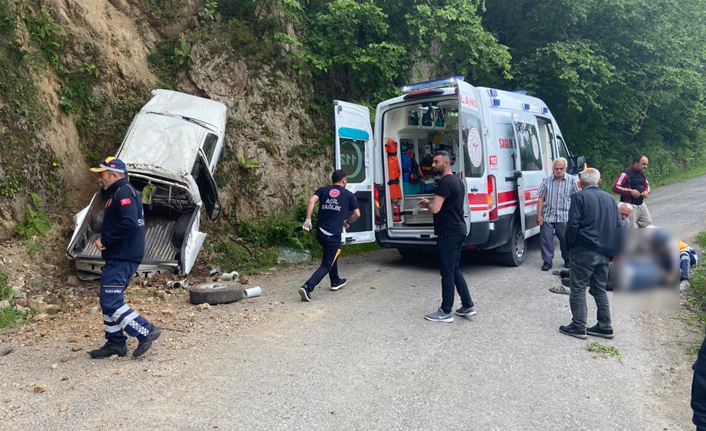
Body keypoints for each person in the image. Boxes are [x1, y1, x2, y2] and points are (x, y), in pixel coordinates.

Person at [87, 157, 161, 359]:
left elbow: (129, 223)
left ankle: (146, 331)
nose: (100, 179)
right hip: (120, 256)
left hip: (123, 256)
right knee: (107, 299)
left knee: (111, 301)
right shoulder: (119, 193)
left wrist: (106, 240)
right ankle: (115, 343)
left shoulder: (124, 192)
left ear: (114, 175)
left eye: (101, 175)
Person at [560, 168, 622, 339]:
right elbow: (619, 226)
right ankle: (605, 326)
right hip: (606, 250)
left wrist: (570, 245)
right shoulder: (610, 199)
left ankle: (579, 326)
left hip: (584, 249)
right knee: (599, 289)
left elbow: (572, 225)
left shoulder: (579, 197)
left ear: (580, 183)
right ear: (598, 181)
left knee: (578, 287)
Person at [417, 150, 475, 323]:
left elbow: (436, 208)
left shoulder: (444, 183)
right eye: (433, 162)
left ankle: (445, 311)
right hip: (459, 230)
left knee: (447, 272)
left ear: (447, 163)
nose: (433, 165)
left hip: (448, 232)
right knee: (455, 268)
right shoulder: (457, 181)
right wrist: (430, 203)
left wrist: (427, 204)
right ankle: (467, 305)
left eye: (436, 162)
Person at [299, 170, 360, 302]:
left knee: (332, 254)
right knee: (326, 264)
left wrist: (308, 220)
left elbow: (311, 201)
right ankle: (308, 287)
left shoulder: (323, 190)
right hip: (333, 235)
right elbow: (357, 214)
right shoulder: (349, 195)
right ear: (344, 180)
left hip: (320, 232)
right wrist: (347, 222)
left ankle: (335, 281)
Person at [537, 158, 579, 271]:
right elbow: (540, 198)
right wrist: (539, 215)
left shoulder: (571, 181)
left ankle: (567, 259)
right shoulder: (546, 181)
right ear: (553, 169)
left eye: (561, 168)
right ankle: (547, 262)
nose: (559, 171)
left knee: (565, 239)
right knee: (546, 240)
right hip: (548, 215)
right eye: (556, 168)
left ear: (565, 168)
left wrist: (576, 217)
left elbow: (576, 199)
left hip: (564, 215)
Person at [612, 155, 652, 227]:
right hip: (629, 206)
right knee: (630, 230)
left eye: (646, 164)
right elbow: (615, 187)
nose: (646, 166)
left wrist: (646, 192)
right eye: (643, 164)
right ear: (636, 163)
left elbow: (647, 185)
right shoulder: (626, 173)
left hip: (641, 205)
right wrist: (630, 191)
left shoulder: (642, 173)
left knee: (649, 228)